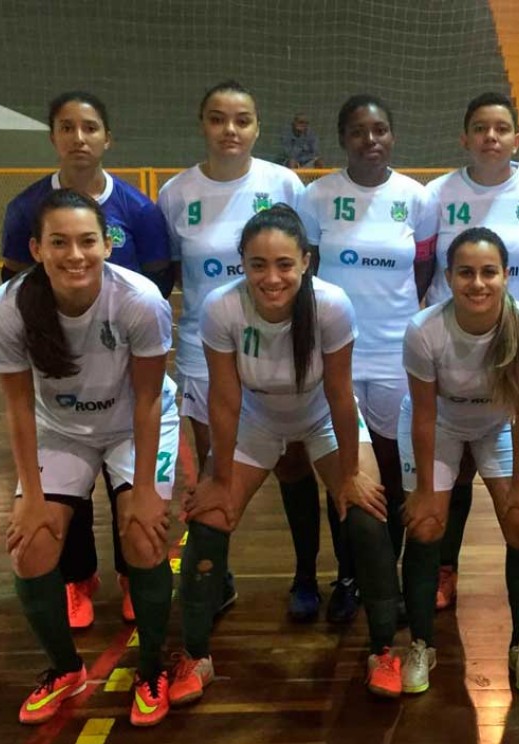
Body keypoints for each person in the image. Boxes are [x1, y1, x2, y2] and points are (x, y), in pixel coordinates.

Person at [169, 204, 403, 703]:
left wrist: (349, 475)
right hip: (257, 420)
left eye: (283, 264)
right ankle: (194, 655)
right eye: (257, 264)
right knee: (209, 519)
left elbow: (341, 393)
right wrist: (217, 473)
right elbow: (226, 398)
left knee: (365, 514)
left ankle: (384, 649)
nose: (271, 277)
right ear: (242, 264)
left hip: (321, 416)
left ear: (306, 262)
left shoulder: (332, 306)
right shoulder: (221, 308)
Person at [0, 189, 178, 726]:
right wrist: (29, 496)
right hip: (59, 429)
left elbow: (146, 399)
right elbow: (19, 406)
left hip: (133, 424)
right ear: (37, 248)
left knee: (142, 536)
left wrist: (142, 489)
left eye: (87, 240)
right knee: (31, 549)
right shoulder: (7, 306)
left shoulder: (139, 299)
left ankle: (153, 668)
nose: (75, 254)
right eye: (59, 243)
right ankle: (65, 670)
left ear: (108, 243)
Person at [0, 91, 172, 629]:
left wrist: (115, 335)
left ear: (106, 138)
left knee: (138, 513)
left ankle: (132, 573)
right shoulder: (24, 207)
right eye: (67, 128)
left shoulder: (138, 210)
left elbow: (159, 280)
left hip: (123, 371)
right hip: (62, 386)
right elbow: (15, 285)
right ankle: (76, 578)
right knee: (55, 497)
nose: (79, 138)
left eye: (90, 127)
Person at [158, 80, 327, 621]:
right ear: (202, 124)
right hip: (206, 355)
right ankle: (218, 578)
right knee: (217, 471)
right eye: (217, 118)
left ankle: (305, 576)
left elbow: (307, 263)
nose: (230, 130)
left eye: (242, 119)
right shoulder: (176, 193)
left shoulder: (284, 183)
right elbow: (171, 276)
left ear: (256, 126)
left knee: (295, 464)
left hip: (282, 351)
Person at [297, 94, 438, 616]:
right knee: (344, 471)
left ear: (392, 136)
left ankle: (389, 574)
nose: (370, 140)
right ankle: (349, 577)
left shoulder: (417, 198)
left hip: (398, 354)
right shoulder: (317, 197)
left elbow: (421, 271)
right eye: (359, 131)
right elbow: (305, 275)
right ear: (343, 138)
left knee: (394, 469)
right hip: (336, 355)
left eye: (380, 130)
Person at [423, 91, 519, 610]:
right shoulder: (435, 193)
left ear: (517, 138)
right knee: (452, 466)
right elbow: (425, 266)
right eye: (480, 128)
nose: (491, 137)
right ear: (464, 137)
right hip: (458, 346)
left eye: (501, 128)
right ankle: (444, 569)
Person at [399, 227, 519, 694]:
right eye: (466, 273)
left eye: (489, 272)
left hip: (499, 423)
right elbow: (424, 415)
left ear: (507, 275)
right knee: (425, 526)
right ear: (448, 277)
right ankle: (421, 643)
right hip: (440, 424)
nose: (477, 283)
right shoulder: (425, 330)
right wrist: (425, 490)